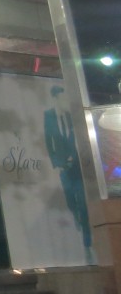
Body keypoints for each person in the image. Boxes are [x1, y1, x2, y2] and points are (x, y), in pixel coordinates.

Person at [44, 84, 93, 263]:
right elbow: (48, 141)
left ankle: (87, 239)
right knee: (70, 200)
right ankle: (77, 219)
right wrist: (56, 162)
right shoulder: (48, 116)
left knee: (83, 202)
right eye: (62, 98)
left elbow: (82, 136)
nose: (65, 101)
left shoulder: (72, 116)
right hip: (64, 166)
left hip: (78, 166)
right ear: (56, 98)